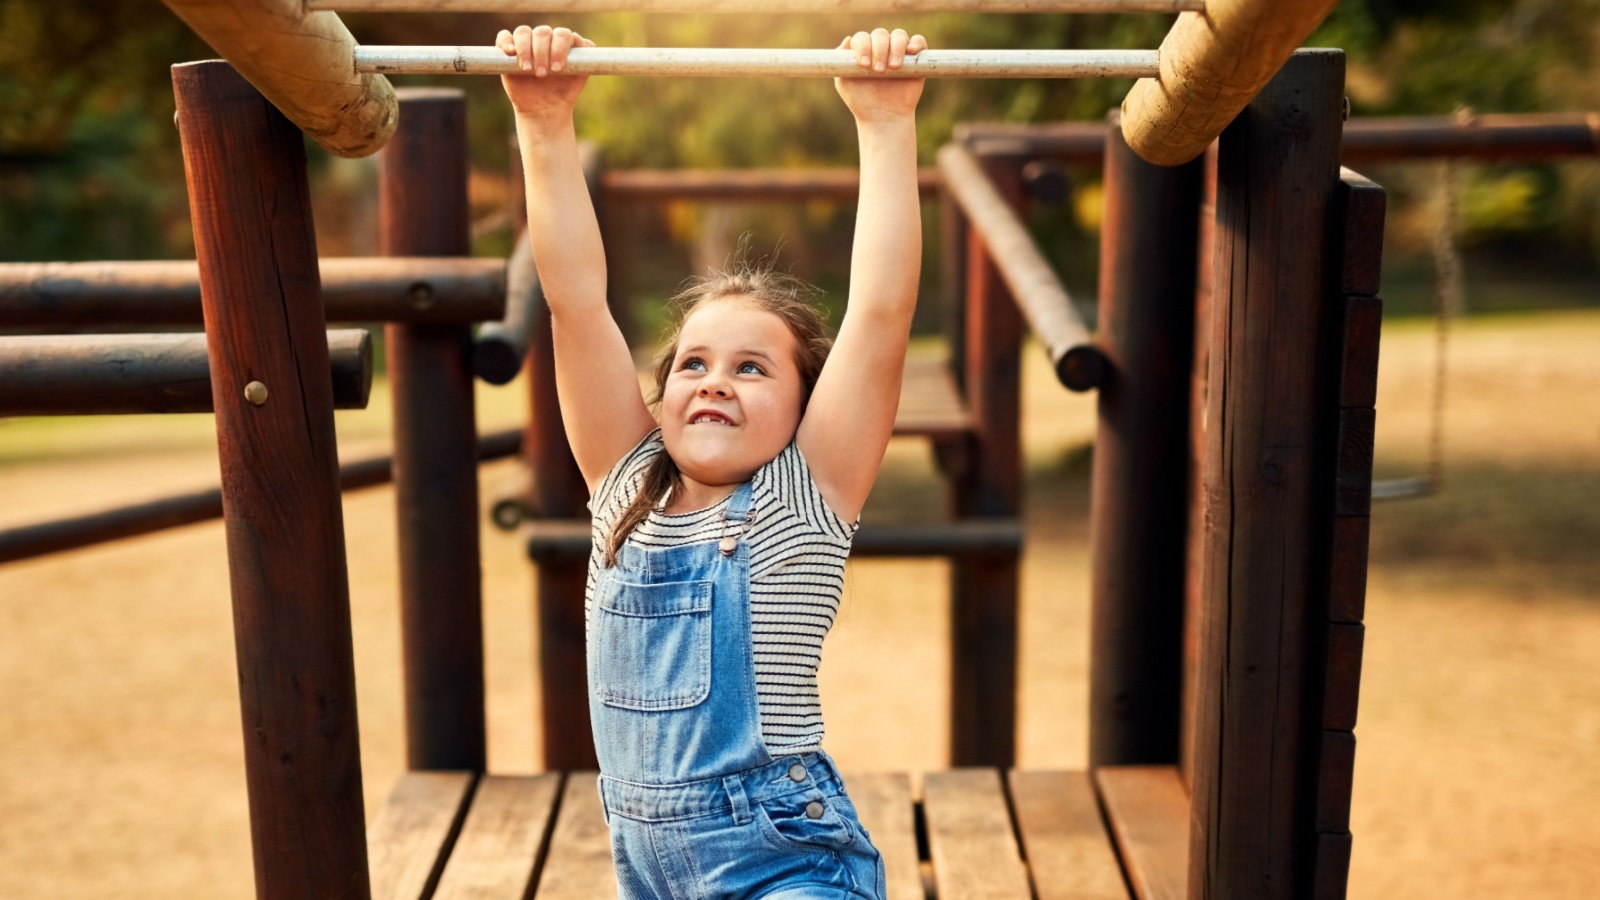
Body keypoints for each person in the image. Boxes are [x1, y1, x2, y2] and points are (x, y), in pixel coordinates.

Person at [498, 23, 927, 899]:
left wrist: (884, 124)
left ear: (807, 411)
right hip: (649, 871)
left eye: (753, 368)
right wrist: (543, 124)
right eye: (693, 363)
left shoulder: (805, 495)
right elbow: (576, 302)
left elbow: (881, 314)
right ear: (662, 398)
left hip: (785, 861)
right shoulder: (623, 484)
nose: (715, 381)